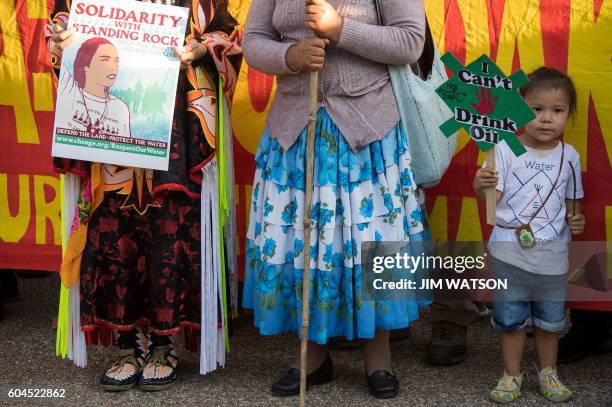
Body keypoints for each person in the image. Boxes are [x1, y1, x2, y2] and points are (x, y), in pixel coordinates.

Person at [47, 0, 241, 391]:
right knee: (111, 232)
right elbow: (60, 23)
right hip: (106, 132)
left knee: (169, 233)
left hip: (172, 133)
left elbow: (227, 33)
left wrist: (202, 48)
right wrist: (64, 40)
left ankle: (163, 344)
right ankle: (126, 342)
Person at [241, 0, 428, 399]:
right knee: (306, 245)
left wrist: (339, 27)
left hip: (368, 132)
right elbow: (253, 41)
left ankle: (378, 356)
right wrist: (289, 56)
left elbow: (411, 42)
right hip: (295, 132)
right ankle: (313, 356)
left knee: (372, 243)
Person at [474, 67, 585, 403]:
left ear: (568, 114)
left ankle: (548, 373)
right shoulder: (504, 149)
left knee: (550, 320)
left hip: (552, 254)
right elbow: (488, 197)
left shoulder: (570, 157)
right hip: (509, 251)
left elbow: (573, 205)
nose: (546, 119)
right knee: (511, 318)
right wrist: (481, 186)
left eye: (557, 110)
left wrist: (577, 220)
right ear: (521, 108)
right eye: (536, 109)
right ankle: (511, 375)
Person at [54, 37, 131, 138]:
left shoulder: (121, 107)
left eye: (116, 61)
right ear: (86, 65)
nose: (113, 67)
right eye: (105, 60)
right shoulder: (69, 90)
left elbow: (124, 149)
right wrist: (58, 40)